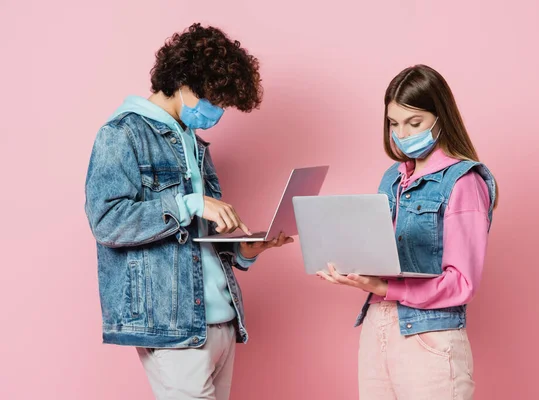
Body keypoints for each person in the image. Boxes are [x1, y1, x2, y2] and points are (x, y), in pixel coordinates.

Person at [84, 23, 292, 400]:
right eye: (214, 99)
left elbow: (200, 238)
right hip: (174, 327)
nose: (218, 112)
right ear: (181, 82)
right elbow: (106, 221)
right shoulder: (122, 134)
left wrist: (244, 251)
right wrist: (187, 203)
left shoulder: (193, 144)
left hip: (221, 321)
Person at [317, 64, 498, 399]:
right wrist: (353, 266)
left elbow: (461, 283)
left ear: (440, 117)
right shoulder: (393, 177)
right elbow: (383, 254)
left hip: (429, 337)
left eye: (414, 123)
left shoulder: (463, 182)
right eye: (394, 123)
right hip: (377, 329)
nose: (403, 132)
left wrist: (385, 287)